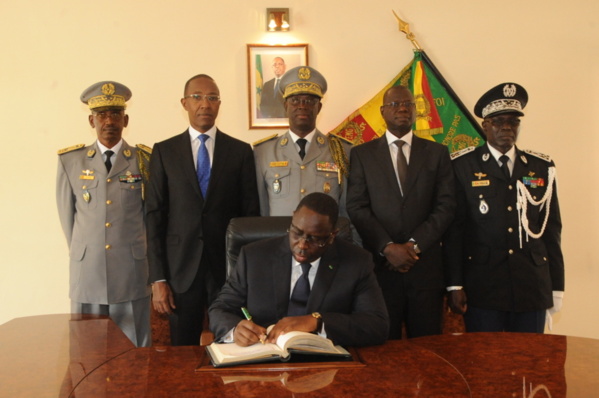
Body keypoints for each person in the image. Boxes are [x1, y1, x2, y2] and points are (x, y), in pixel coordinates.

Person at [145, 74, 260, 346]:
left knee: (233, 343)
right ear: (184, 103)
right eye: (197, 97)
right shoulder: (164, 151)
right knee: (181, 349)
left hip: (228, 269)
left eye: (212, 98)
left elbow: (250, 216)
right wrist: (158, 278)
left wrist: (250, 272)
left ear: (219, 104)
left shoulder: (240, 151)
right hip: (179, 270)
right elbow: (154, 217)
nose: (204, 104)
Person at [444, 83, 564, 333]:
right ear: (485, 125)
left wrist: (557, 287)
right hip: (484, 287)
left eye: (513, 122)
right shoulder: (463, 165)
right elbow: (455, 231)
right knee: (486, 365)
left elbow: (551, 230)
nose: (507, 128)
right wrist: (454, 285)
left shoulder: (540, 167)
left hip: (532, 285)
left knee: (530, 365)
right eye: (498, 122)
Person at [209, 192, 389, 347]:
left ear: (332, 235)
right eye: (297, 233)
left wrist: (317, 322)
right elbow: (219, 309)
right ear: (293, 218)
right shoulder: (254, 256)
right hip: (263, 357)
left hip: (324, 365)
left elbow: (377, 325)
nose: (302, 245)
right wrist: (235, 329)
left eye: (314, 239)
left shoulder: (356, 261)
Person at [346, 85, 456, 339]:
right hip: (381, 271)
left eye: (408, 104)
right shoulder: (362, 154)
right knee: (385, 351)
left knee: (429, 351)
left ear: (416, 111)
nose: (403, 108)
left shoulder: (437, 153)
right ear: (383, 112)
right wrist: (387, 247)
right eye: (395, 105)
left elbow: (446, 205)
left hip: (425, 270)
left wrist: (413, 247)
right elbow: (356, 206)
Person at [56, 81, 152, 347]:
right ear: (91, 120)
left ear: (126, 119)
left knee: (134, 352)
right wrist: (84, 253)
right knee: (87, 353)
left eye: (115, 114)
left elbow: (150, 218)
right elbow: (68, 219)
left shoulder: (144, 160)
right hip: (88, 271)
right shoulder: (71, 161)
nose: (109, 120)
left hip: (131, 272)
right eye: (102, 115)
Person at [253, 66, 352, 218]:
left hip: (325, 240)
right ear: (285, 106)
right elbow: (261, 209)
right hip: (279, 239)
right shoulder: (264, 152)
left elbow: (346, 210)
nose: (302, 106)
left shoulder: (341, 150)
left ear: (318, 107)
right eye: (295, 100)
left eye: (309, 101)